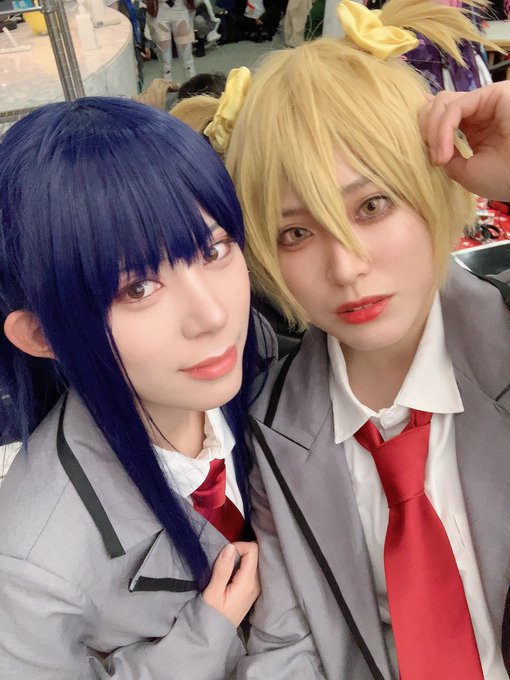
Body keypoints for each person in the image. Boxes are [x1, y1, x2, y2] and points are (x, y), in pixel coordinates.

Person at [201, 0, 510, 678]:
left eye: (372, 205)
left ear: (433, 181)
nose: (345, 267)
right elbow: (287, 644)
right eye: (296, 233)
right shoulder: (273, 430)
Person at [0, 96, 271, 679]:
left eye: (214, 250)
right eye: (137, 289)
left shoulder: (269, 365)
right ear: (44, 334)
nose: (212, 315)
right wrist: (203, 635)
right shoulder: (31, 564)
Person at [145, 0, 196, 81]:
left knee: (187, 58)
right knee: (165, 61)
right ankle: (166, 85)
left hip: (181, 7)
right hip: (159, 9)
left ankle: (191, 85)